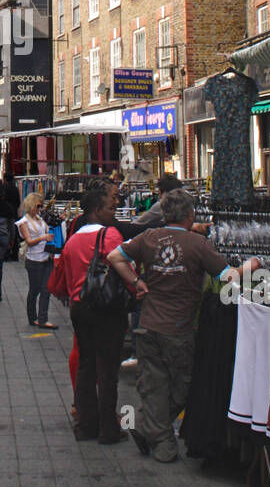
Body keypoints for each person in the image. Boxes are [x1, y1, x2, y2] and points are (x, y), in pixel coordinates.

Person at [108, 188, 259, 463]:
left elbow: (114, 257)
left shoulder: (148, 237)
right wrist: (251, 265)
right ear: (190, 215)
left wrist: (135, 281)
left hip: (148, 324)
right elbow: (229, 278)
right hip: (179, 329)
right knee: (184, 386)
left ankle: (144, 426)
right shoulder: (198, 244)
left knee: (155, 386)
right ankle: (163, 444)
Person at [56, 184, 139, 444]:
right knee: (107, 367)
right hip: (106, 308)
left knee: (86, 365)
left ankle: (85, 425)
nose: (114, 212)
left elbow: (65, 276)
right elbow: (123, 265)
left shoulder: (73, 239)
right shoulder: (110, 235)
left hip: (79, 307)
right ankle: (108, 428)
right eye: (110, 208)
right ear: (96, 211)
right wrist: (137, 288)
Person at [16, 192, 57, 329]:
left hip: (46, 257)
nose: (39, 209)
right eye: (38, 206)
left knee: (46, 289)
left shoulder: (40, 219)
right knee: (35, 289)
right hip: (34, 259)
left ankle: (43, 319)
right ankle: (32, 317)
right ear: (31, 205)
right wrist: (43, 238)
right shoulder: (24, 222)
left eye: (41, 206)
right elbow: (29, 241)